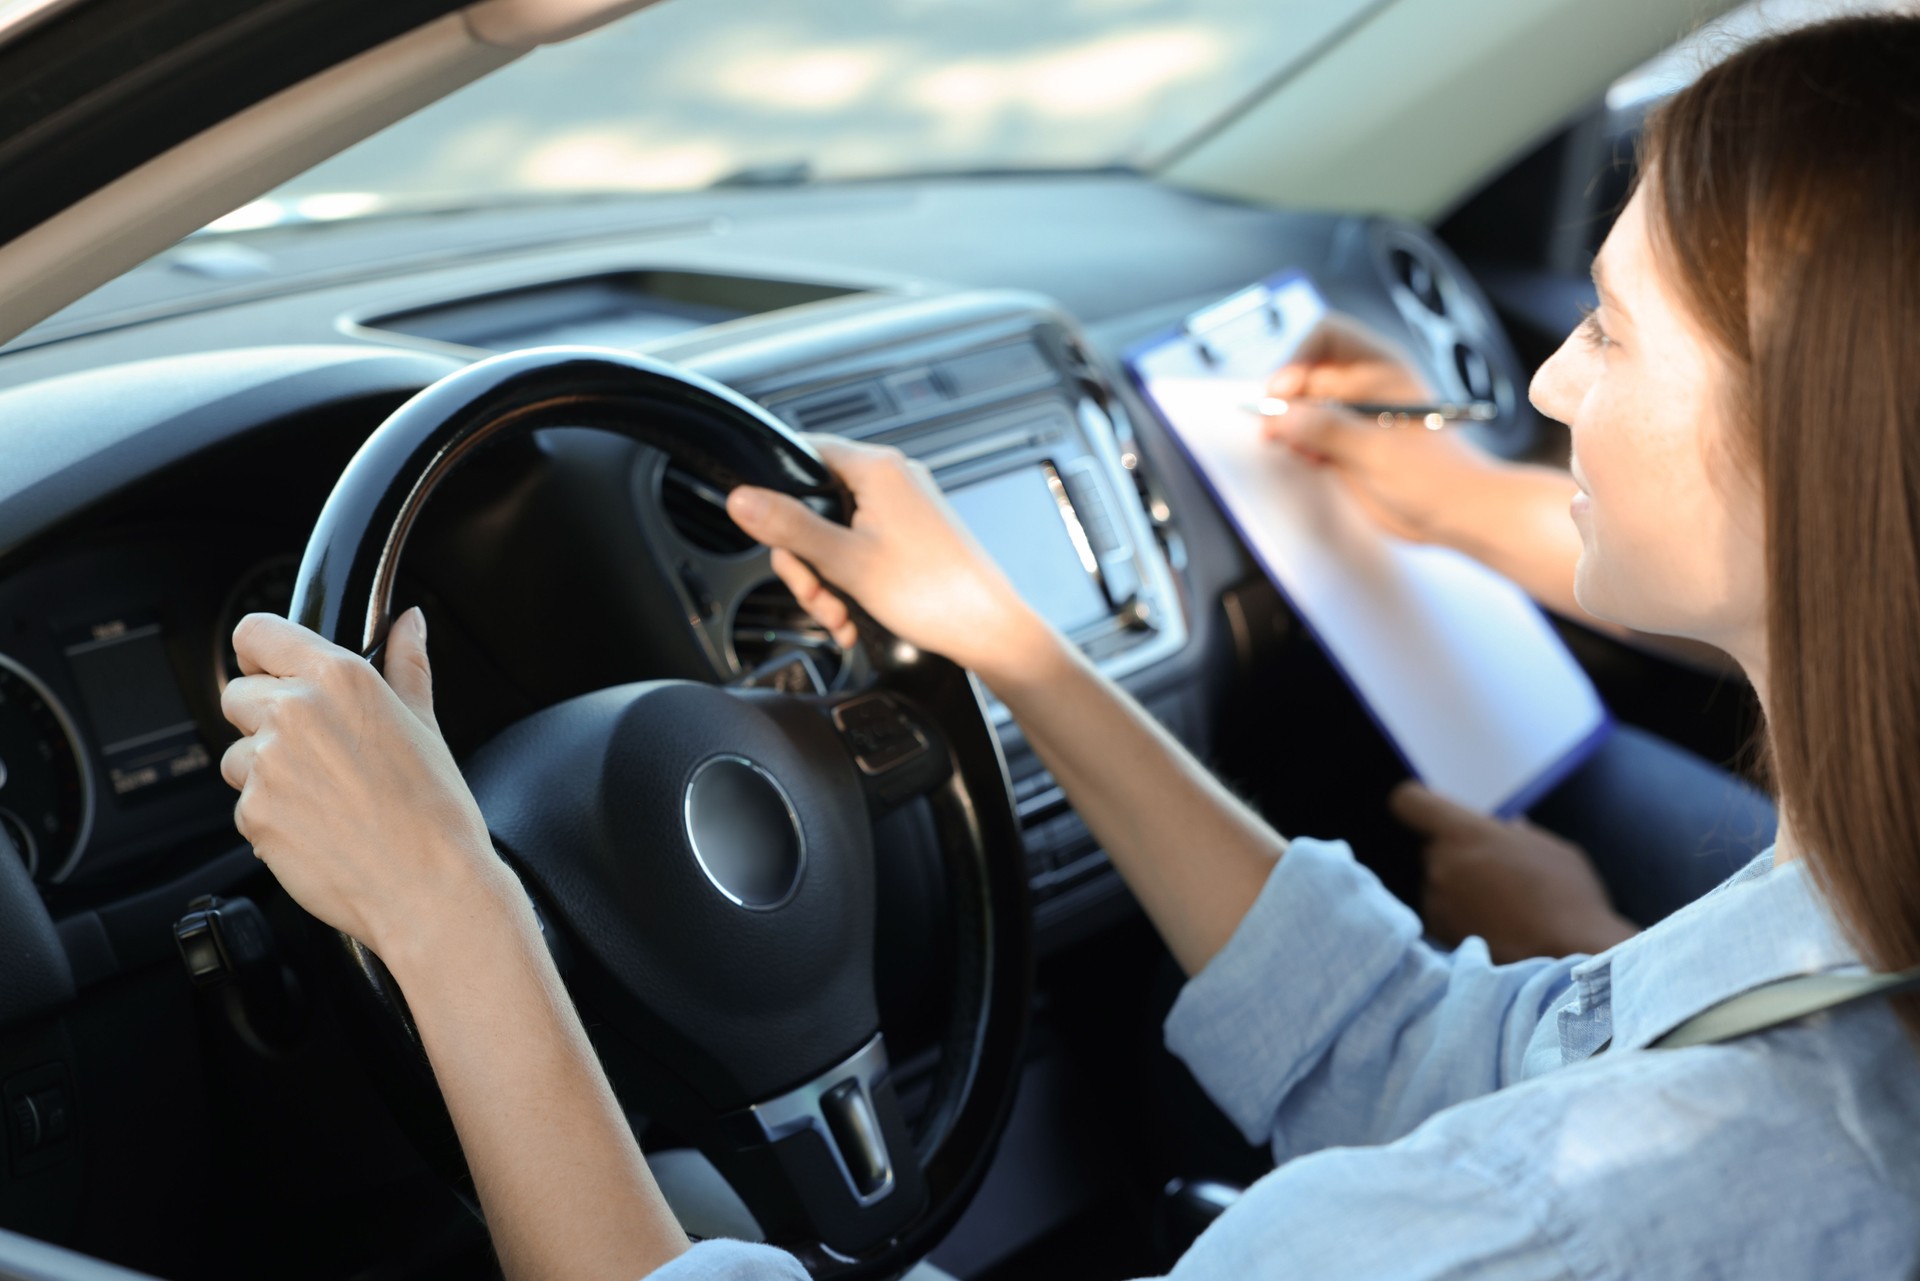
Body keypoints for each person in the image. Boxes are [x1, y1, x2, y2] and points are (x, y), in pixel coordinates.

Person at [218, 16, 1920, 1279]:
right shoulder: (1842, 945)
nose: (1546, 388)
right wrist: (1015, 654)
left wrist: (453, 913)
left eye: (1611, 335)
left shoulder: (1562, 1219)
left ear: (1821, 458)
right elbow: (1428, 1061)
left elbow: (1494, 1159)